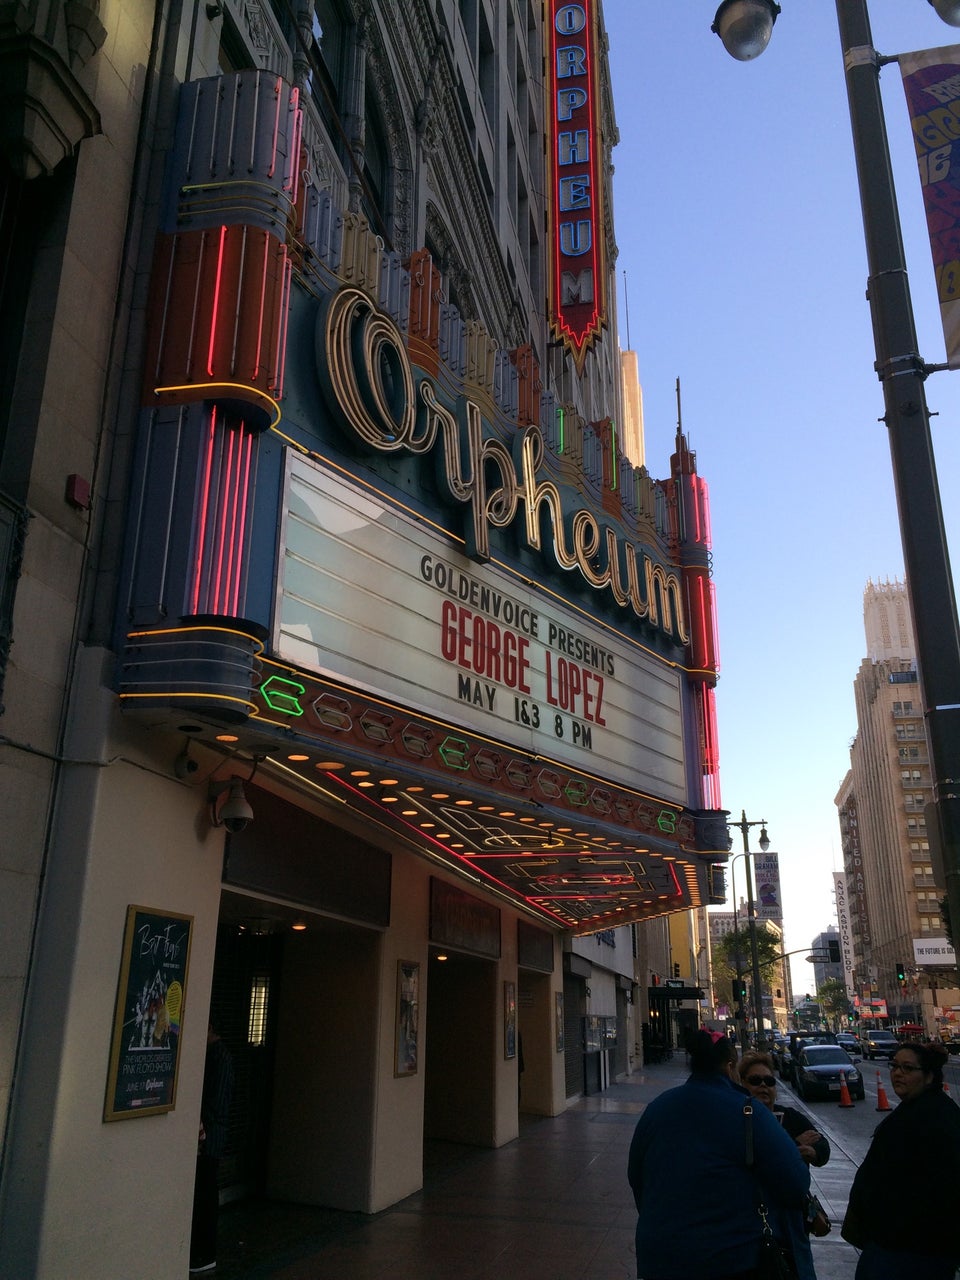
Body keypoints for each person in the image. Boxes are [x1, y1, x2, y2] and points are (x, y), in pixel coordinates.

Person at [628, 1028, 811, 1279]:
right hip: (730, 1259)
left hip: (660, 1257)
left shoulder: (656, 1109)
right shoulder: (748, 1112)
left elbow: (637, 1179)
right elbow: (796, 1182)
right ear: (729, 1067)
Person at [842, 1040, 960, 1279]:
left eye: (908, 1068)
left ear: (929, 1076)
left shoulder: (938, 1118)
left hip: (913, 1251)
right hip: (891, 1245)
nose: (898, 1074)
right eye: (895, 1066)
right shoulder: (912, 1109)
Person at [739, 1051, 829, 1278]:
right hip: (753, 1222)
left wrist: (813, 1152)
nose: (763, 1086)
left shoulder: (789, 1117)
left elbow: (822, 1145)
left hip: (792, 1223)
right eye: (755, 1081)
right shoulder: (739, 1120)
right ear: (742, 1084)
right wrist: (793, 1147)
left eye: (769, 1081)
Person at [190, 1022, 235, 1274]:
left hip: (209, 1140)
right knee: (203, 1193)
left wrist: (201, 1127)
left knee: (205, 1193)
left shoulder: (219, 1058)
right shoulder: (214, 1057)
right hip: (209, 1137)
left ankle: (204, 1253)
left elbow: (216, 1103)